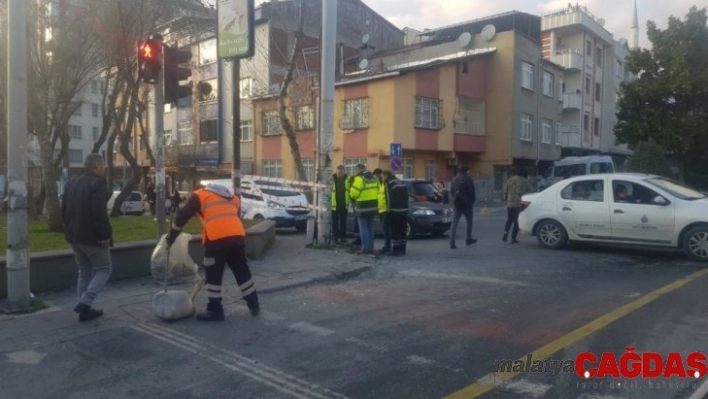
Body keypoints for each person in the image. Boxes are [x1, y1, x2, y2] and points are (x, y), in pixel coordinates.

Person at [166, 183, 259, 321]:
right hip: (237, 237)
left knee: (213, 274)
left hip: (216, 239)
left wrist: (171, 237)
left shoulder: (199, 195)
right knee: (241, 270)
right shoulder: (232, 197)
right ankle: (254, 305)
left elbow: (181, 216)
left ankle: (215, 310)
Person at [61, 154, 113, 322]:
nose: (105, 169)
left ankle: (84, 310)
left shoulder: (72, 182)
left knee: (84, 271)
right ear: (97, 166)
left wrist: (69, 231)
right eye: (103, 165)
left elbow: (64, 209)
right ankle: (85, 303)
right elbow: (99, 213)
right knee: (104, 269)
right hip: (93, 238)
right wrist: (105, 236)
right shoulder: (98, 183)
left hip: (74, 236)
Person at [349, 164, 379, 255]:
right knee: (370, 228)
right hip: (373, 206)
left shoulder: (359, 179)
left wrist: (351, 195)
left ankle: (365, 248)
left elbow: (354, 194)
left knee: (363, 228)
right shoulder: (374, 178)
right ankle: (370, 247)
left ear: (358, 170)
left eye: (356, 170)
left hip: (362, 207)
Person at [449, 165, 477, 249]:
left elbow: (452, 192)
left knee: (454, 223)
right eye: (469, 170)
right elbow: (472, 191)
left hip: (457, 204)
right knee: (469, 222)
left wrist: (454, 201)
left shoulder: (454, 179)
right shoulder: (468, 179)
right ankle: (468, 239)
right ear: (466, 171)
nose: (469, 172)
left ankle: (452, 241)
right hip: (467, 205)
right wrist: (471, 201)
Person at [502, 167, 532, 243]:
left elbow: (505, 191)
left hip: (510, 202)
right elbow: (530, 190)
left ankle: (505, 233)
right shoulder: (524, 181)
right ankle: (513, 238)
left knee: (509, 219)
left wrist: (506, 200)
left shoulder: (510, 180)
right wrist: (528, 181)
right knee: (517, 221)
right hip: (519, 203)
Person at [382, 170, 409, 256]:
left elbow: (389, 198)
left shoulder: (388, 183)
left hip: (395, 210)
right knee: (403, 230)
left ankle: (396, 249)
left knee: (395, 230)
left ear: (386, 175)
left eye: (382, 176)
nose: (382, 179)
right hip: (404, 209)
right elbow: (406, 195)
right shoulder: (400, 181)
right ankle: (403, 249)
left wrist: (389, 210)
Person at [373, 168, 391, 255]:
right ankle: (387, 246)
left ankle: (388, 246)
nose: (376, 178)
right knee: (385, 229)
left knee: (386, 229)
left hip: (386, 210)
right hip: (381, 209)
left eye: (377, 176)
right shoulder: (380, 184)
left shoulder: (386, 183)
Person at [330, 165, 350, 244]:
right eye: (338, 173)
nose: (340, 175)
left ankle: (343, 237)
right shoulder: (332, 179)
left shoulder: (348, 179)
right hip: (335, 205)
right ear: (336, 172)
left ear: (344, 172)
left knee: (343, 222)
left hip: (344, 204)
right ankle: (335, 237)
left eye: (341, 173)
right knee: (334, 222)